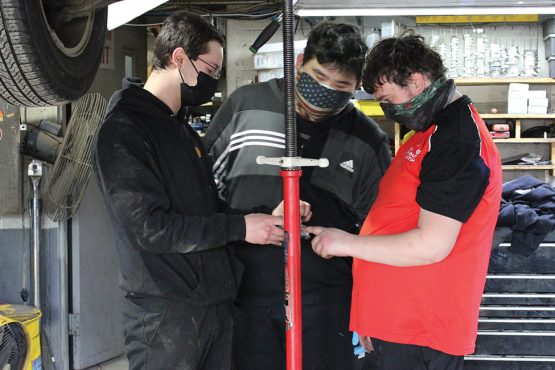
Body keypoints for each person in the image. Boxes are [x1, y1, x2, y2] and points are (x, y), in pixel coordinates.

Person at [92, 11, 298, 370]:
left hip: (211, 305)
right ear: (179, 58)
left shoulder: (181, 130)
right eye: (211, 71)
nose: (213, 82)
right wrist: (240, 228)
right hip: (165, 314)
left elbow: (207, 213)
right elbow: (150, 229)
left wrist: (264, 217)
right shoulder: (125, 130)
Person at [308, 33, 503, 370]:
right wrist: (372, 314)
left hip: (421, 331)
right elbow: (395, 219)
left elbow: (431, 245)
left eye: (388, 99)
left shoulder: (456, 142)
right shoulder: (429, 132)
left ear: (415, 81)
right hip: (397, 326)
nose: (388, 111)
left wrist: (347, 244)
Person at [204, 22, 391, 370]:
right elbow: (201, 194)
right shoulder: (244, 107)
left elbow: (380, 233)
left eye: (340, 87)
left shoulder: (366, 140)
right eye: (318, 77)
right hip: (243, 296)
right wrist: (246, 223)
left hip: (327, 305)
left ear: (355, 89)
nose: (324, 93)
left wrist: (371, 312)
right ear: (300, 61)